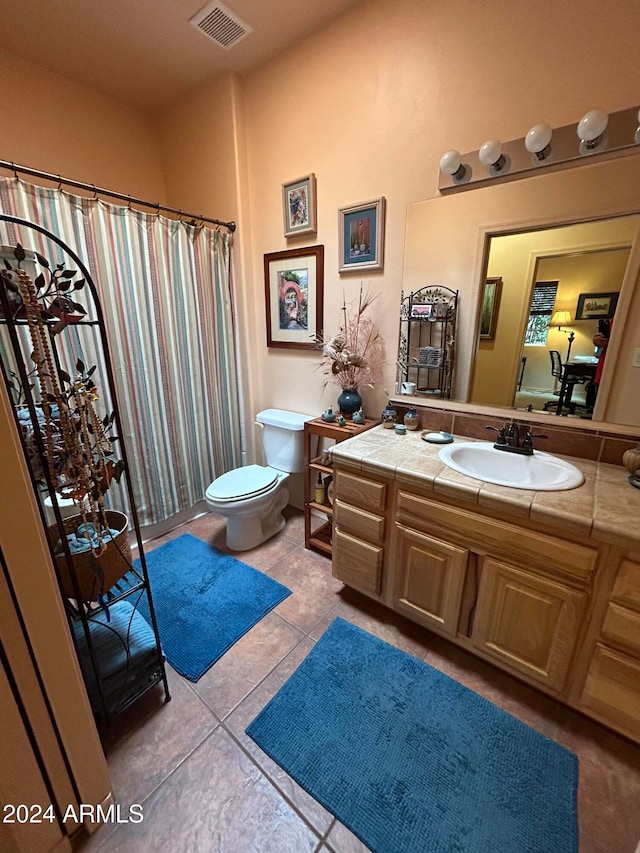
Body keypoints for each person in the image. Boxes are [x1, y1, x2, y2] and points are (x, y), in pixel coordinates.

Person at [585, 317, 612, 412]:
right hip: (601, 370)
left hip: (611, 372)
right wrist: (597, 341)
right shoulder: (612, 320)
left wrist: (610, 343)